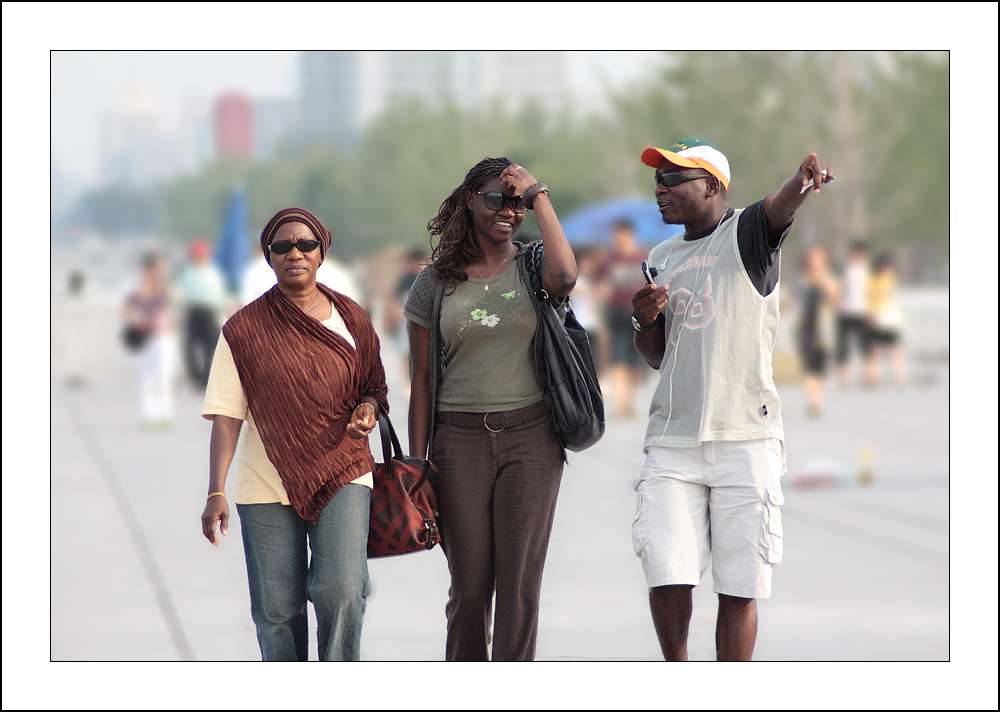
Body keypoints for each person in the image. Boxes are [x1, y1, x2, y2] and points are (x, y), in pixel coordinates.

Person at [630, 137, 834, 661]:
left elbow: (778, 207)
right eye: (658, 179)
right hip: (674, 441)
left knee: (739, 587)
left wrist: (801, 182)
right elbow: (655, 355)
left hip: (746, 437)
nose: (661, 190)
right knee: (667, 573)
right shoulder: (659, 257)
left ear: (712, 186)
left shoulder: (746, 233)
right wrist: (644, 319)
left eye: (674, 179)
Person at [404, 158, 577, 661]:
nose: (508, 210)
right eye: (496, 199)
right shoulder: (434, 283)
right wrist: (418, 464)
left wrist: (538, 192)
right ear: (469, 202)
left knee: (519, 589)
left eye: (516, 201)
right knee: (471, 589)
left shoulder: (533, 265)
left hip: (532, 438)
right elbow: (420, 380)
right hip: (458, 445)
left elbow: (566, 276)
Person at [200, 207, 388, 662]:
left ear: (322, 251)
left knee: (341, 590)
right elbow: (228, 415)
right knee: (277, 611)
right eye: (282, 246)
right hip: (264, 483)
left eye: (305, 244)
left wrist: (366, 409)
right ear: (269, 258)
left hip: (343, 470)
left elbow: (374, 387)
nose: (295, 253)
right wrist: (215, 491)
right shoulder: (244, 331)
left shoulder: (352, 318)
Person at [601, 219, 648, 417]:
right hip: (616, 313)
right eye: (615, 235)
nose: (618, 239)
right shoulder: (608, 260)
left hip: (639, 315)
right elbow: (600, 285)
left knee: (637, 363)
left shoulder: (644, 258)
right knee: (618, 359)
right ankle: (621, 405)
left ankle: (630, 400)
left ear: (630, 236)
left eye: (622, 235)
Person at [122, 253, 175, 429]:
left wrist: (160, 283)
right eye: (154, 269)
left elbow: (169, 299)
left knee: (164, 375)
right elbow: (126, 310)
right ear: (147, 270)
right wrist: (135, 319)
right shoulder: (138, 290)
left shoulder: (163, 287)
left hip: (163, 337)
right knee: (146, 377)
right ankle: (148, 414)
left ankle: (165, 413)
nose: (157, 272)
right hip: (145, 337)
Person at [177, 238, 228, 389]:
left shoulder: (213, 272)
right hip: (193, 312)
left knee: (210, 347)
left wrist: (225, 313)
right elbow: (181, 295)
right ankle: (196, 376)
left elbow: (220, 295)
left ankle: (207, 377)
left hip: (209, 312)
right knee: (190, 347)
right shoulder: (187, 273)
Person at [797, 244, 840, 417]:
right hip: (807, 328)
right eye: (812, 259)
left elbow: (836, 300)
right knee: (809, 364)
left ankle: (818, 398)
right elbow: (793, 299)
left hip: (823, 327)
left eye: (818, 259)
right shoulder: (803, 280)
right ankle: (812, 400)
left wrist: (822, 282)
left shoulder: (828, 280)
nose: (815, 262)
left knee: (820, 366)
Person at [835, 240, 873, 387]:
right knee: (843, 346)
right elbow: (838, 288)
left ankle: (868, 375)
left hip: (863, 311)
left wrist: (871, 310)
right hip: (846, 311)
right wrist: (839, 304)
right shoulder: (845, 270)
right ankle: (844, 379)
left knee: (866, 345)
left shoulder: (867, 272)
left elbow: (871, 292)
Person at [865, 253, 906, 387]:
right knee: (874, 349)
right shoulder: (871, 279)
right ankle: (873, 377)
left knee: (895, 347)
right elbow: (869, 297)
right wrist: (870, 314)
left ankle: (899, 376)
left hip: (888, 317)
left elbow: (891, 296)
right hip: (875, 315)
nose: (888, 269)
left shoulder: (890, 278)